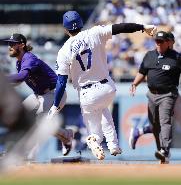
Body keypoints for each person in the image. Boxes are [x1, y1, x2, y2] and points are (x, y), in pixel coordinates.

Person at [48, 10, 157, 160]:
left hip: (87, 93)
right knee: (104, 109)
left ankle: (94, 140)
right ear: (80, 23)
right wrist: (143, 27)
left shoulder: (63, 51)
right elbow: (121, 27)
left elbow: (61, 82)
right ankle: (113, 145)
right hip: (108, 88)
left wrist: (55, 106)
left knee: (94, 131)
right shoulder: (95, 32)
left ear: (65, 29)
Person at [3, 33, 73, 159]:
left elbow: (21, 77)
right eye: (9, 43)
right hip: (39, 95)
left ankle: (25, 154)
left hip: (55, 93)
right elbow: (18, 81)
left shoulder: (30, 59)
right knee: (21, 116)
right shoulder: (19, 62)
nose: (10, 46)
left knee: (36, 122)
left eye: (13, 44)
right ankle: (66, 135)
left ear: (22, 45)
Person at [129, 31, 181, 164]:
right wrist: (135, 83)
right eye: (156, 41)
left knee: (165, 122)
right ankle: (162, 152)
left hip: (167, 94)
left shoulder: (176, 57)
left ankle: (165, 150)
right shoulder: (149, 55)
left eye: (161, 41)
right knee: (155, 126)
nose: (158, 43)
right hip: (151, 94)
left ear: (168, 43)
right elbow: (142, 71)